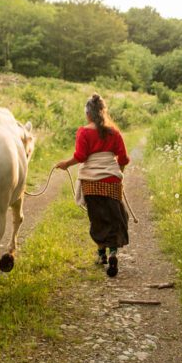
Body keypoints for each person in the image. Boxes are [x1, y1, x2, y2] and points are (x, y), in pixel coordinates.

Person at [55, 93, 129, 277]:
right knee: (114, 216)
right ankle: (113, 252)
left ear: (88, 114)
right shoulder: (114, 132)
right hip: (111, 180)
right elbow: (124, 159)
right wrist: (117, 172)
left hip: (91, 182)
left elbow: (80, 156)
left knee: (97, 217)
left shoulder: (84, 132)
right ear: (103, 112)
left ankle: (101, 254)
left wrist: (65, 164)